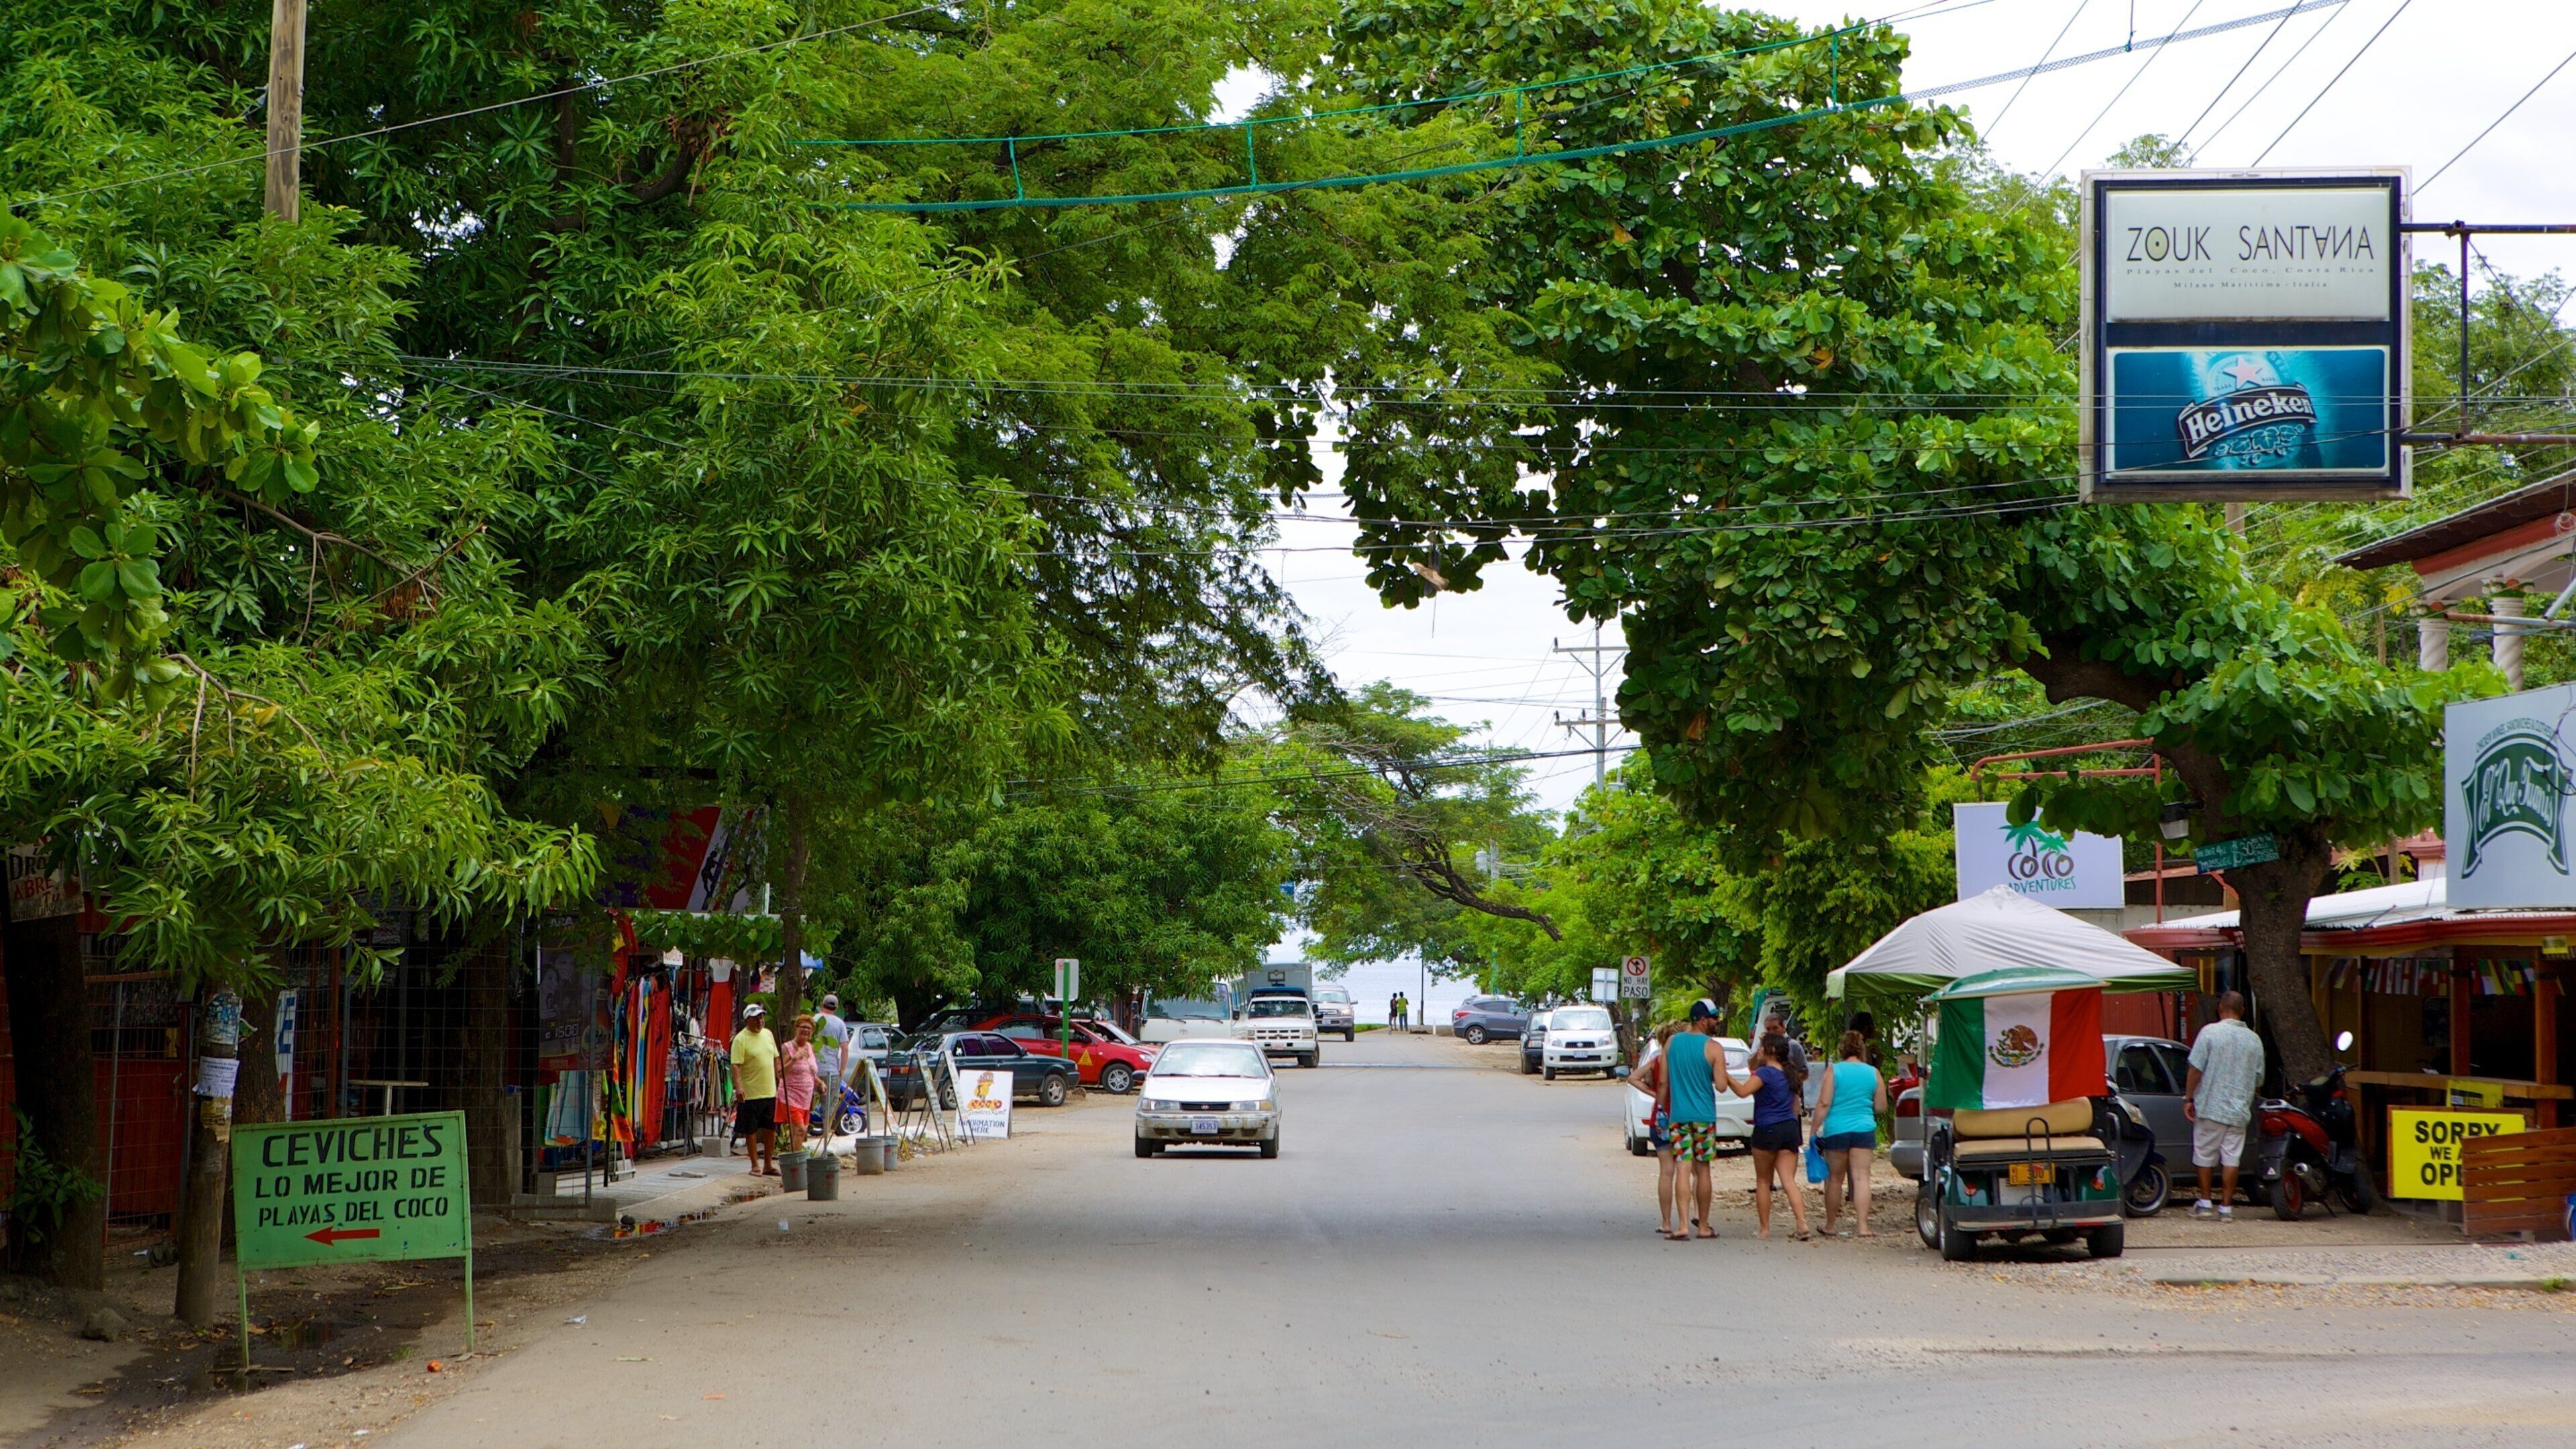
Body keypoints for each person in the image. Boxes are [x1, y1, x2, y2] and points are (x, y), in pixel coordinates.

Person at [1723, 1030, 1811, 1240]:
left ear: (1771, 1051)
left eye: (1761, 1047)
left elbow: (1744, 1091)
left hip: (1767, 1128)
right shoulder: (1789, 1074)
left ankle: (1764, 1228)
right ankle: (1802, 1223)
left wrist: (1725, 1075)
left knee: (1763, 1181)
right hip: (1789, 1129)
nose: (1758, 1051)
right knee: (1789, 1180)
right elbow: (1794, 1105)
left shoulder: (1764, 1074)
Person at [2185, 991, 2265, 1221]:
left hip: (2210, 1106)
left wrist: (2189, 1098)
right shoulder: (2254, 1040)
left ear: (2220, 1008)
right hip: (2239, 1110)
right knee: (2231, 1158)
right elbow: (2259, 1079)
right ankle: (2227, 1208)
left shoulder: (2209, 1033)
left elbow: (2196, 1069)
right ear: (2243, 1011)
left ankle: (2205, 1202)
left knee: (2204, 1155)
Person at [1660, 1000, 1730, 1240]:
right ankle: (1703, 1226)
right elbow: (1721, 1086)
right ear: (1702, 1020)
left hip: (1678, 1116)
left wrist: (1661, 1107)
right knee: (1704, 1170)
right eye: (1714, 1018)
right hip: (1704, 1117)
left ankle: (1681, 1225)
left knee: (1682, 1167)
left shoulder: (1671, 1043)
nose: (1717, 1022)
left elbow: (1663, 1082)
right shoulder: (1713, 1048)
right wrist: (1716, 1071)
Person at [1812, 1030, 1888, 1238]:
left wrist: (1813, 1129)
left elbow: (1824, 1103)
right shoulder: (1873, 1073)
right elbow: (1881, 1106)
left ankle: (1830, 1225)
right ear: (1861, 1050)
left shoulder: (1834, 1071)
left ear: (1842, 1049)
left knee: (1835, 1179)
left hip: (1837, 1129)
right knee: (1862, 1178)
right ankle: (1863, 1227)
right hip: (1863, 1129)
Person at [1629, 1022, 1684, 1238]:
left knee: (1666, 1172)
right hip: (1683, 1116)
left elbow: (1633, 1078)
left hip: (1660, 1118)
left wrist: (1654, 1096)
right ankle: (1691, 1219)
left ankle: (1666, 1222)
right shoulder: (1683, 1063)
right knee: (1687, 1169)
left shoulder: (1657, 1061)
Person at [729, 1004, 780, 1176]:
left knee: (770, 1128)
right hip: (751, 1092)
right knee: (750, 1129)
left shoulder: (768, 1035)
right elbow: (735, 1065)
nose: (760, 1021)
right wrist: (738, 1088)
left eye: (761, 1017)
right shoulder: (740, 1039)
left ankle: (768, 1164)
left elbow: (775, 1058)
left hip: (769, 1091)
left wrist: (779, 1078)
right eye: (756, 1018)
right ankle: (754, 1164)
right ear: (747, 1020)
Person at [812, 994, 853, 1137]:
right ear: (835, 1008)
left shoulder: (814, 1020)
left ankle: (803, 1131)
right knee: (829, 1104)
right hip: (831, 1070)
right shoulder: (839, 1024)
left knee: (808, 1102)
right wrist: (842, 1069)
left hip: (813, 1070)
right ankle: (826, 1134)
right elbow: (845, 1048)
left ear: (822, 1004)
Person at [777, 1014, 818, 1148]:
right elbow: (779, 1074)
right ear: (796, 1029)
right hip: (791, 1096)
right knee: (801, 1129)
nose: (806, 1030)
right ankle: (796, 1163)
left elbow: (809, 1070)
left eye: (809, 1028)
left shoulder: (810, 1048)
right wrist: (794, 1059)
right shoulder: (787, 1048)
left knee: (798, 1132)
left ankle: (795, 1162)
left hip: (805, 1098)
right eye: (803, 1027)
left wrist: (819, 1082)